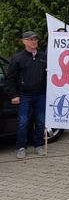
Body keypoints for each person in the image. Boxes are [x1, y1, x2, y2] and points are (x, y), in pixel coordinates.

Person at [6, 31, 48, 159]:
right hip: (24, 96)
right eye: (30, 39)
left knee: (40, 122)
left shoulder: (44, 57)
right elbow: (10, 78)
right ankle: (21, 147)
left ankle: (38, 145)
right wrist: (14, 95)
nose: (34, 41)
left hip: (41, 95)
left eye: (35, 39)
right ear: (24, 41)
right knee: (23, 122)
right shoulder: (17, 58)